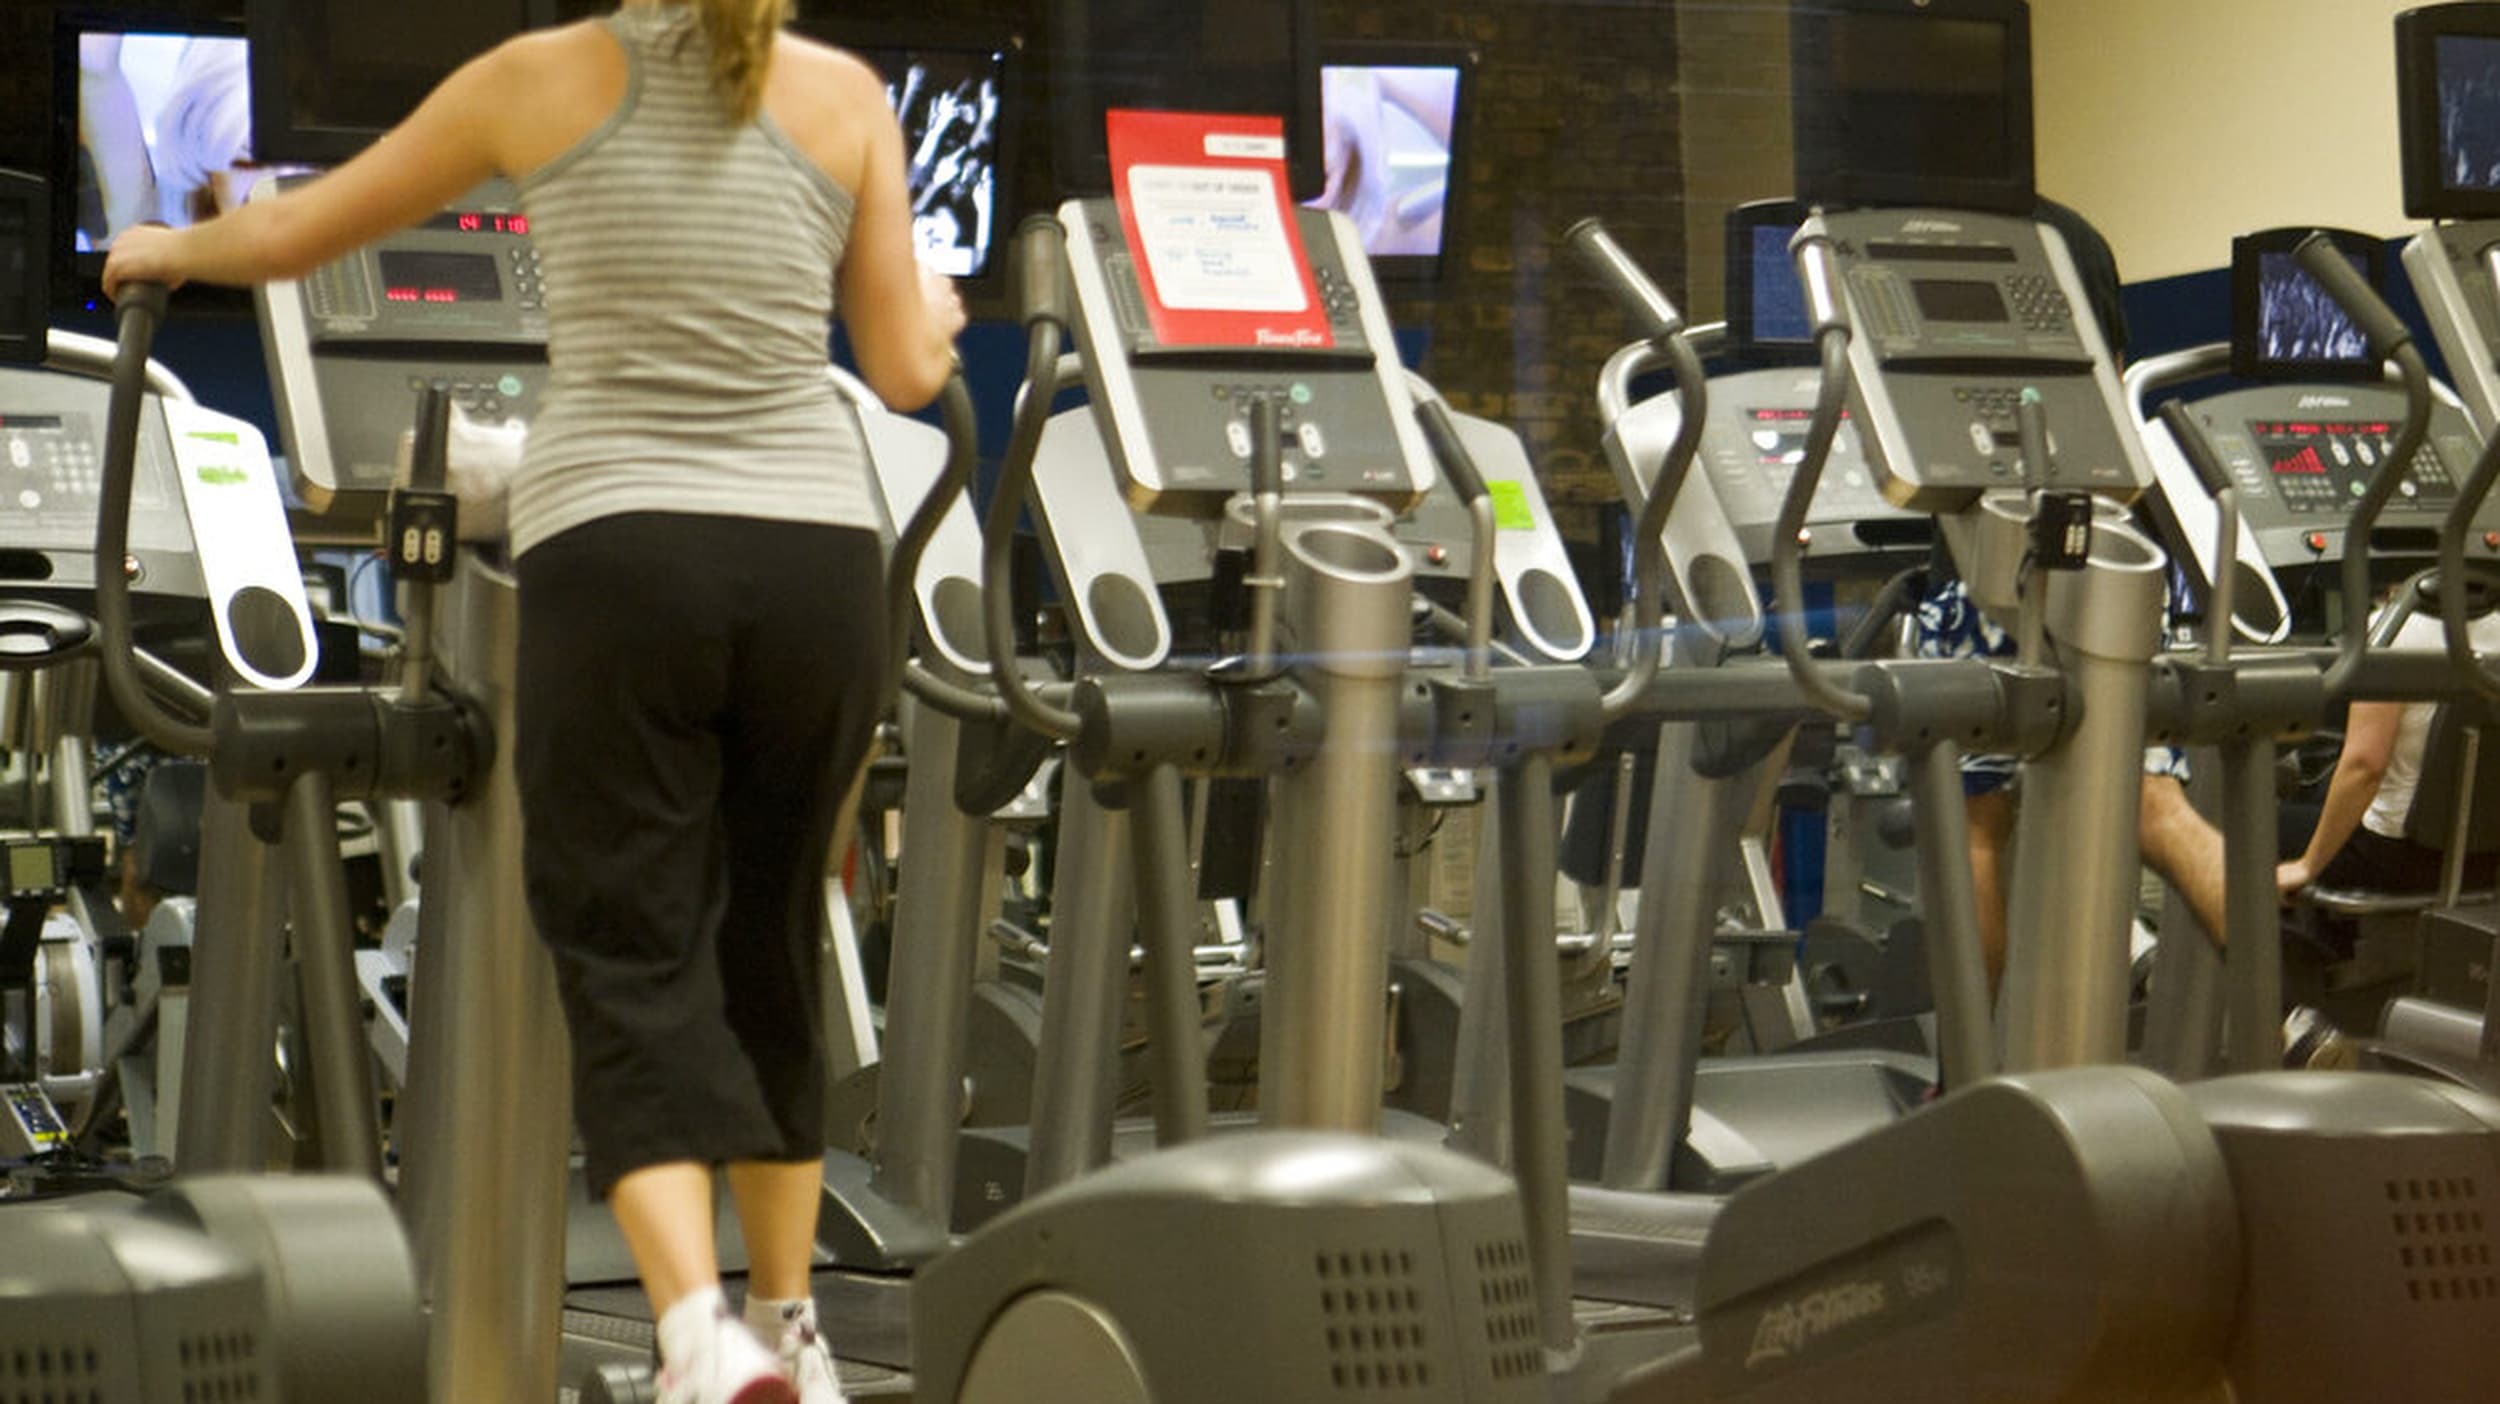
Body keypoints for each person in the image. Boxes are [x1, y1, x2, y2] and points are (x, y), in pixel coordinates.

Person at [105, 1, 965, 1401]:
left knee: (632, 958)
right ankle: (793, 1337)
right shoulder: (846, 94)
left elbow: (299, 232)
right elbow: (909, 372)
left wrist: (167, 246)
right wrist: (934, 309)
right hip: (819, 562)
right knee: (773, 950)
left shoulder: (536, 78)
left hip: (625, 553)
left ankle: (698, 1337)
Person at [2277, 601, 2500, 903]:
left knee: (2255, 822)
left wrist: (2307, 866)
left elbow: (2365, 767)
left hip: (2397, 856)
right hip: (2487, 860)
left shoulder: (2395, 629)